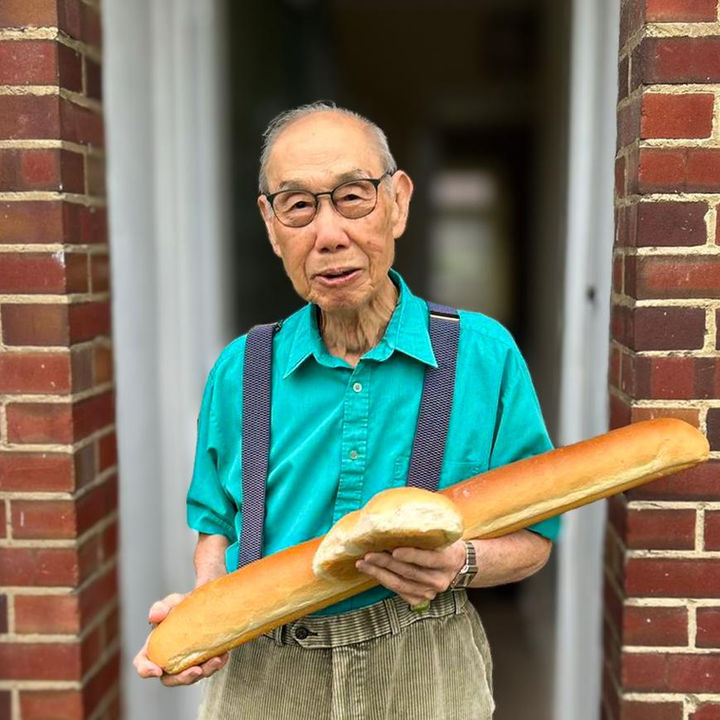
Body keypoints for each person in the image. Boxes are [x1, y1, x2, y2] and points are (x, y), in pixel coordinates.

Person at [134, 101, 559, 719]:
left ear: (399, 202)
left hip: (425, 666)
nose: (328, 234)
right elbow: (216, 527)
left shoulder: (483, 356)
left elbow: (535, 537)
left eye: (353, 197)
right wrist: (206, 616)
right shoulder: (240, 369)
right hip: (262, 673)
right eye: (299, 206)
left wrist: (462, 562)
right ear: (271, 224)